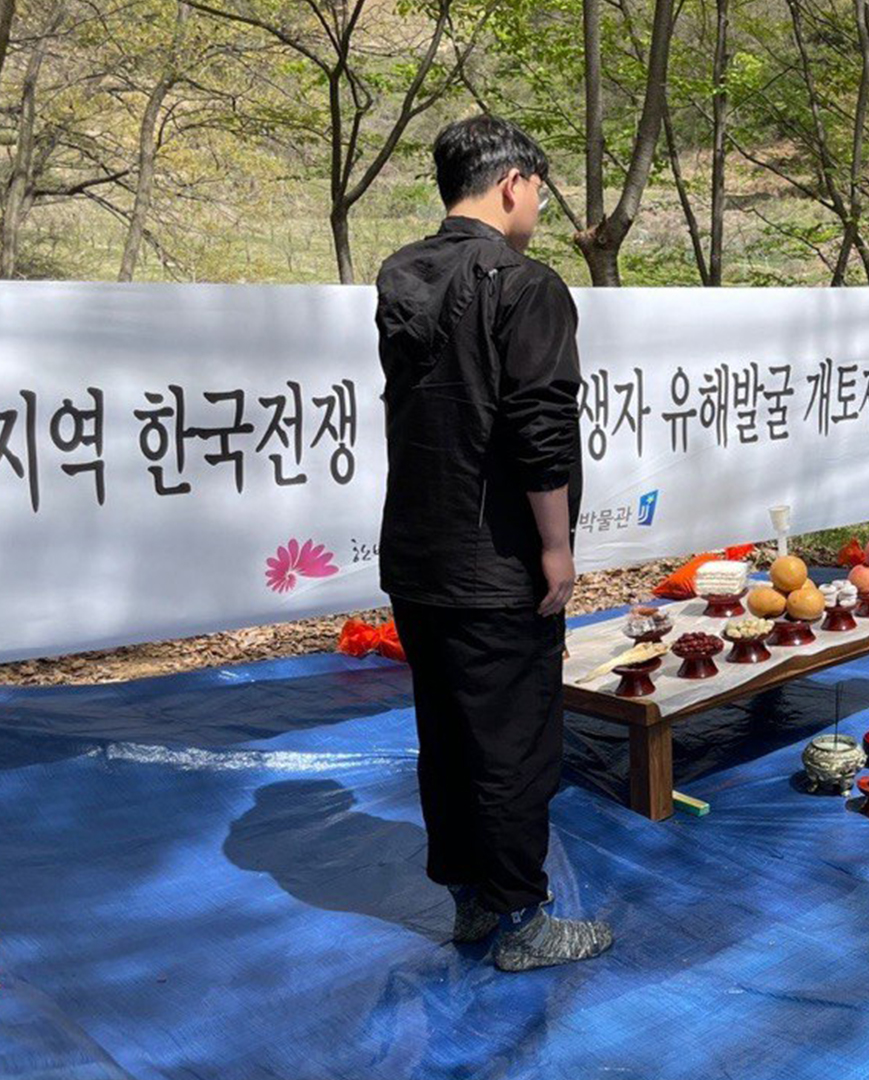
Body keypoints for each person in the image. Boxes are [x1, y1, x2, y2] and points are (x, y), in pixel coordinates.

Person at [375, 115, 612, 972]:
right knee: (513, 739)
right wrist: (556, 546)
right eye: (540, 190)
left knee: (447, 731)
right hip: (495, 562)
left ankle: (472, 898)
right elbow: (537, 427)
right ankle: (521, 917)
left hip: (418, 555)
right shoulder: (526, 285)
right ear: (512, 182)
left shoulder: (402, 275)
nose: (540, 207)